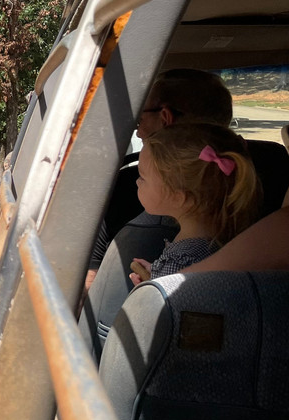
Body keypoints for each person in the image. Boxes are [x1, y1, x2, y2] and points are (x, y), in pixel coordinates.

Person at [87, 69, 235, 287]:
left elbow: (89, 279)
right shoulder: (245, 178)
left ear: (166, 117)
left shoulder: (127, 187)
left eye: (140, 119)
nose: (137, 132)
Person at [128, 123, 259, 285]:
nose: (137, 182)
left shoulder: (180, 262)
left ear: (178, 197)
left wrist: (147, 291)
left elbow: (166, 309)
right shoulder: (222, 242)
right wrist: (156, 272)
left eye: (142, 177)